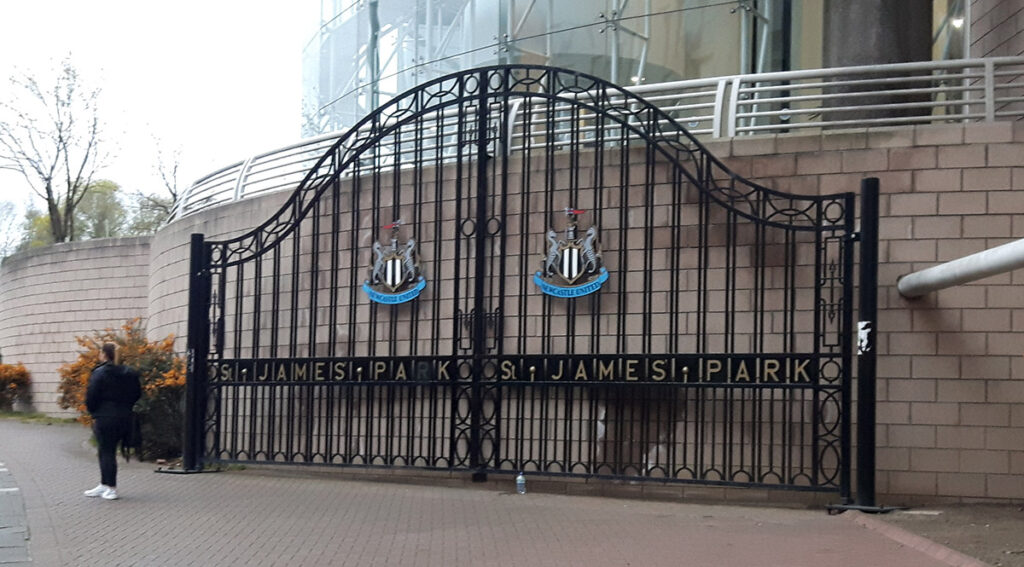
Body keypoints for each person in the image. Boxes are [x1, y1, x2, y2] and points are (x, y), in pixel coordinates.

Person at [83, 343, 141, 500]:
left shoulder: (100, 373)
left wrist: (94, 411)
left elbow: (92, 395)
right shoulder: (130, 373)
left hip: (104, 416)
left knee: (106, 451)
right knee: (107, 450)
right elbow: (137, 393)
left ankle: (111, 487)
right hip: (124, 416)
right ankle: (104, 484)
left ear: (103, 354)